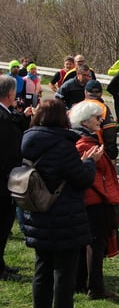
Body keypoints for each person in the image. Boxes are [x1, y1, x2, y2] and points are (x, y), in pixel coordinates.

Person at [21, 99, 100, 308]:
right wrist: (90, 162)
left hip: (38, 211)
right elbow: (81, 178)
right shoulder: (63, 145)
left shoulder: (27, 140)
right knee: (64, 275)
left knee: (42, 269)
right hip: (63, 215)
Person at [70, 102, 119, 300]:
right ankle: (96, 288)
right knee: (95, 245)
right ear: (85, 121)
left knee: (86, 244)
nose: (100, 121)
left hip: (90, 199)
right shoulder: (84, 143)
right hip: (94, 201)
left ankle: (80, 283)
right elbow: (89, 173)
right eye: (96, 118)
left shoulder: (84, 139)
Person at [0, 75, 32, 282]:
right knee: (2, 224)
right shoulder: (3, 118)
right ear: (11, 94)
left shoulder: (7, 114)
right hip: (3, 180)